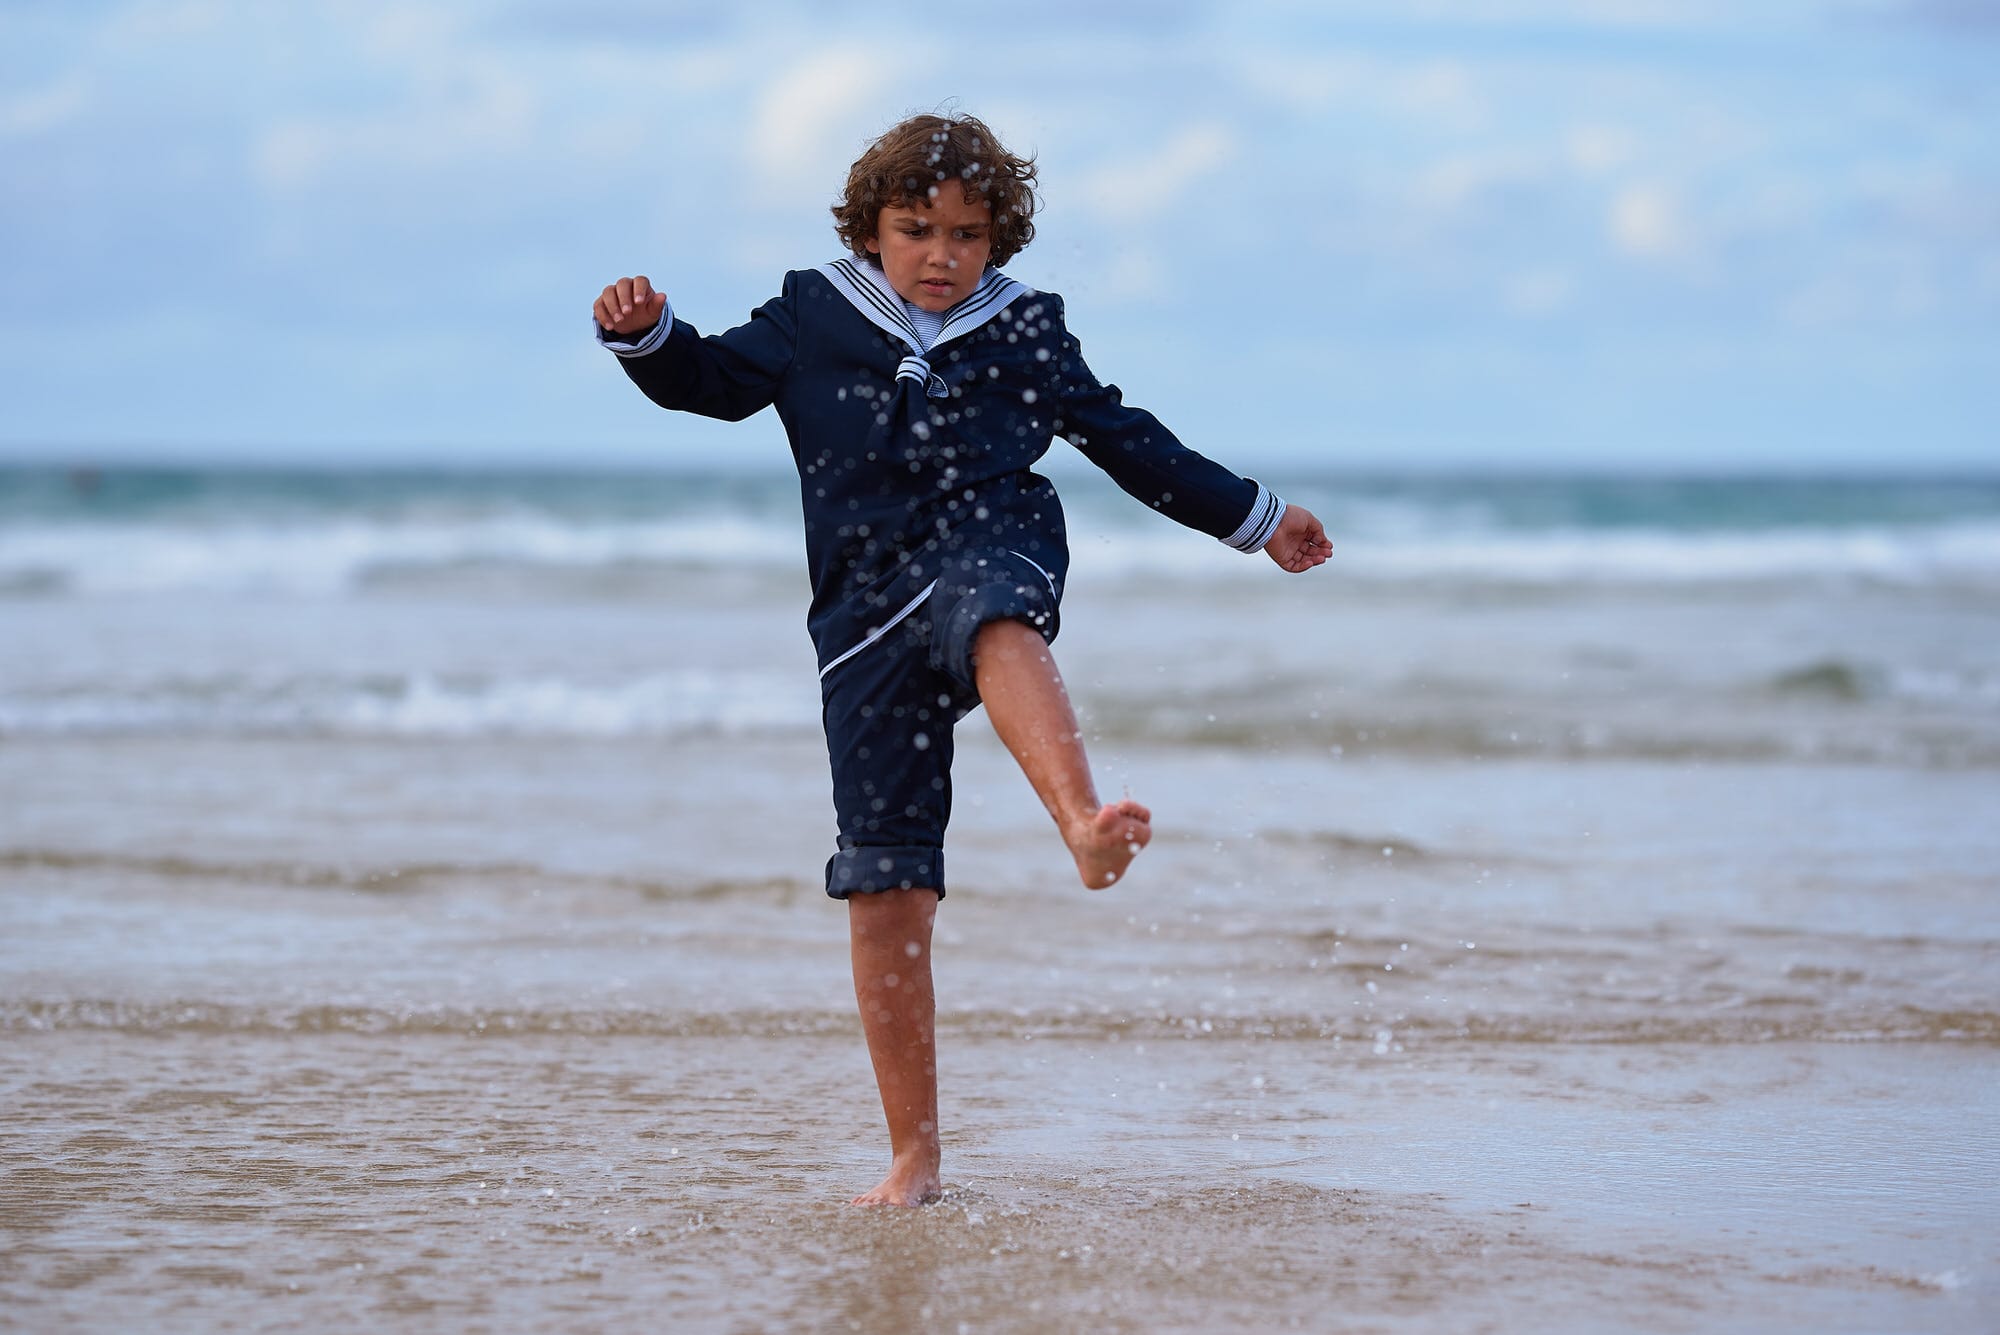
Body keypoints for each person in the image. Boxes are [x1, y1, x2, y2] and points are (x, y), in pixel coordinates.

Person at [592, 111, 1331, 1207]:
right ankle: (914, 1159)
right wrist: (648, 336)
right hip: (860, 613)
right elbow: (711, 383)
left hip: (993, 542)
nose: (943, 256)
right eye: (915, 230)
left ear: (998, 238)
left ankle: (1082, 825)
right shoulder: (810, 313)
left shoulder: (1024, 331)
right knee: (885, 885)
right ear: (869, 229)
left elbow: (1126, 440)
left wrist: (1255, 517)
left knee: (995, 617)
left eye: (969, 235)